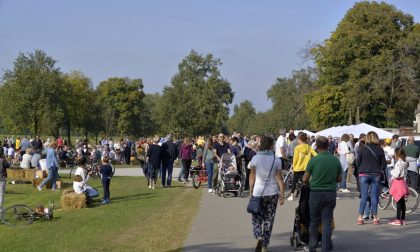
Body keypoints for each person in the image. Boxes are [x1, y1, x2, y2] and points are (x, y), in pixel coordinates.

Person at [303, 136, 342, 252]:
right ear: (327, 145)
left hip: (315, 193)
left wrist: (311, 182)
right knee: (327, 222)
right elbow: (339, 179)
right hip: (330, 193)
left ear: (317, 146)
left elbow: (305, 178)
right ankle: (326, 248)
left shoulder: (314, 160)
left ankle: (312, 247)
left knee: (314, 221)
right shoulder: (335, 160)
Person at [249, 136, 285, 252]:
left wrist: (250, 190)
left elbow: (252, 177)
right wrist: (282, 194)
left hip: (258, 192)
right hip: (272, 192)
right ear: (270, 145)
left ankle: (259, 236)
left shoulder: (255, 158)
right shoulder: (276, 160)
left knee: (256, 218)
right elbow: (279, 178)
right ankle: (265, 245)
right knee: (269, 219)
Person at [356, 131, 387, 225]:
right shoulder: (380, 149)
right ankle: (375, 218)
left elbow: (357, 163)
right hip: (376, 174)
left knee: (364, 197)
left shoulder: (362, 149)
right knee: (374, 196)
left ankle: (360, 218)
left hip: (364, 174)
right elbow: (384, 165)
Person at [289, 133, 317, 201]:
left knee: (294, 181)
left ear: (300, 139)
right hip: (306, 168)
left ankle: (292, 195)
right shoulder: (309, 147)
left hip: (298, 167)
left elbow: (295, 158)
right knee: (306, 182)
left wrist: (293, 166)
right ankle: (310, 194)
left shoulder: (297, 148)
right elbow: (316, 155)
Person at [389, 148, 409, 226]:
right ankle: (403, 219)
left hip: (398, 183)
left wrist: (391, 172)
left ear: (397, 154)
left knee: (398, 201)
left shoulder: (398, 163)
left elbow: (396, 174)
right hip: (403, 182)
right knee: (402, 202)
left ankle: (398, 219)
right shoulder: (404, 163)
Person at [0, 148, 11, 212]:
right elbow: (8, 166)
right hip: (1, 179)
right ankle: (0, 210)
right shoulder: (3, 160)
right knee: (1, 195)